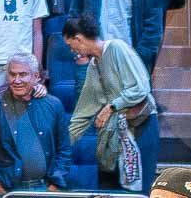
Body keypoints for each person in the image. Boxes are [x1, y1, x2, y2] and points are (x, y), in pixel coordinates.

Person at [63, 13, 158, 191]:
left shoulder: (116, 48)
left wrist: (111, 106)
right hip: (116, 132)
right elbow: (84, 111)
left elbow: (140, 87)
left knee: (140, 189)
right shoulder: (94, 65)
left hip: (140, 126)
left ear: (78, 38)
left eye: (70, 45)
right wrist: (64, 144)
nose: (72, 50)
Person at [0, 55, 70, 193]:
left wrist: (55, 184)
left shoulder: (53, 104)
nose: (16, 80)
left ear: (35, 76)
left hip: (45, 188)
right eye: (12, 74)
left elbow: (64, 149)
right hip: (8, 189)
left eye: (22, 75)